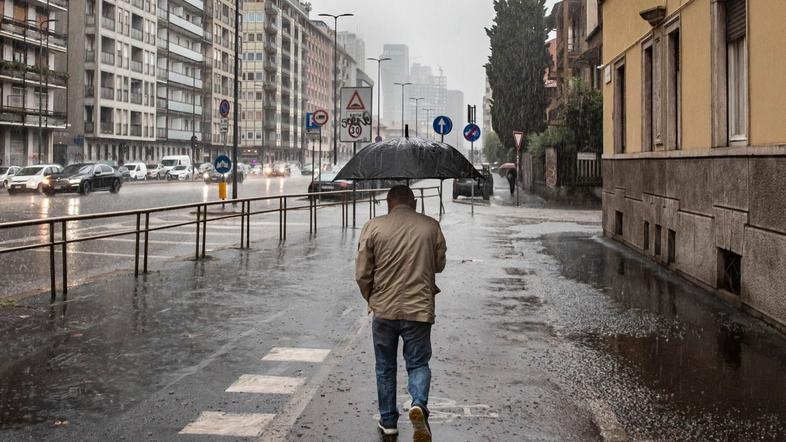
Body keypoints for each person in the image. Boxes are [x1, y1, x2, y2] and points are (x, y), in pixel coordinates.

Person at [356, 185, 447, 441]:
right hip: (419, 309)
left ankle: (388, 422)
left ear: (388, 204)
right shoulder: (431, 226)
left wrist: (371, 297)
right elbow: (439, 265)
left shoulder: (373, 227)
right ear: (414, 202)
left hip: (384, 310)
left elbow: (362, 272)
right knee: (418, 363)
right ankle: (418, 403)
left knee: (385, 366)